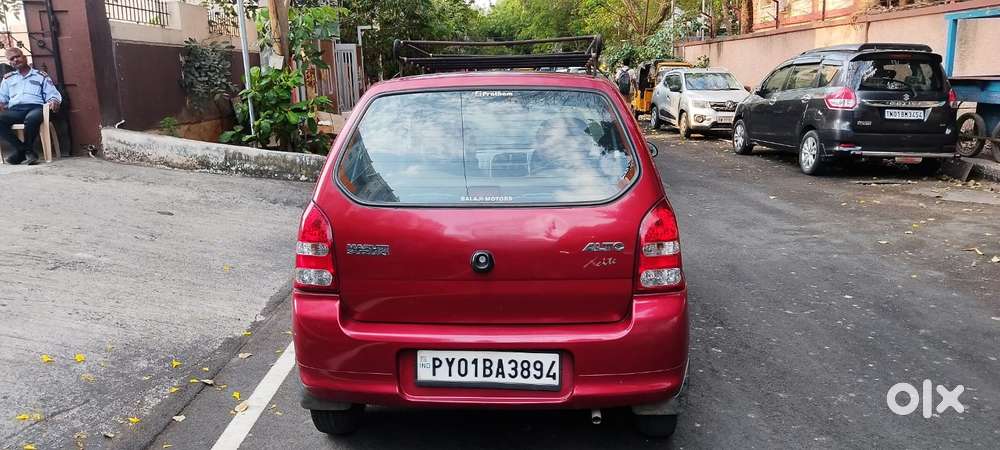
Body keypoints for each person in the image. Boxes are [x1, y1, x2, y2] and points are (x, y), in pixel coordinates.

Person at [0, 47, 62, 165]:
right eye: (12, 59)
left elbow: (52, 94)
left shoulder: (41, 76)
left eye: (17, 56)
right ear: (10, 63)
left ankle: (21, 153)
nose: (15, 60)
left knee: (32, 118)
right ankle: (25, 150)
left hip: (35, 108)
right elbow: (2, 99)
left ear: (25, 57)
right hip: (15, 110)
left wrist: (54, 101)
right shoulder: (8, 79)